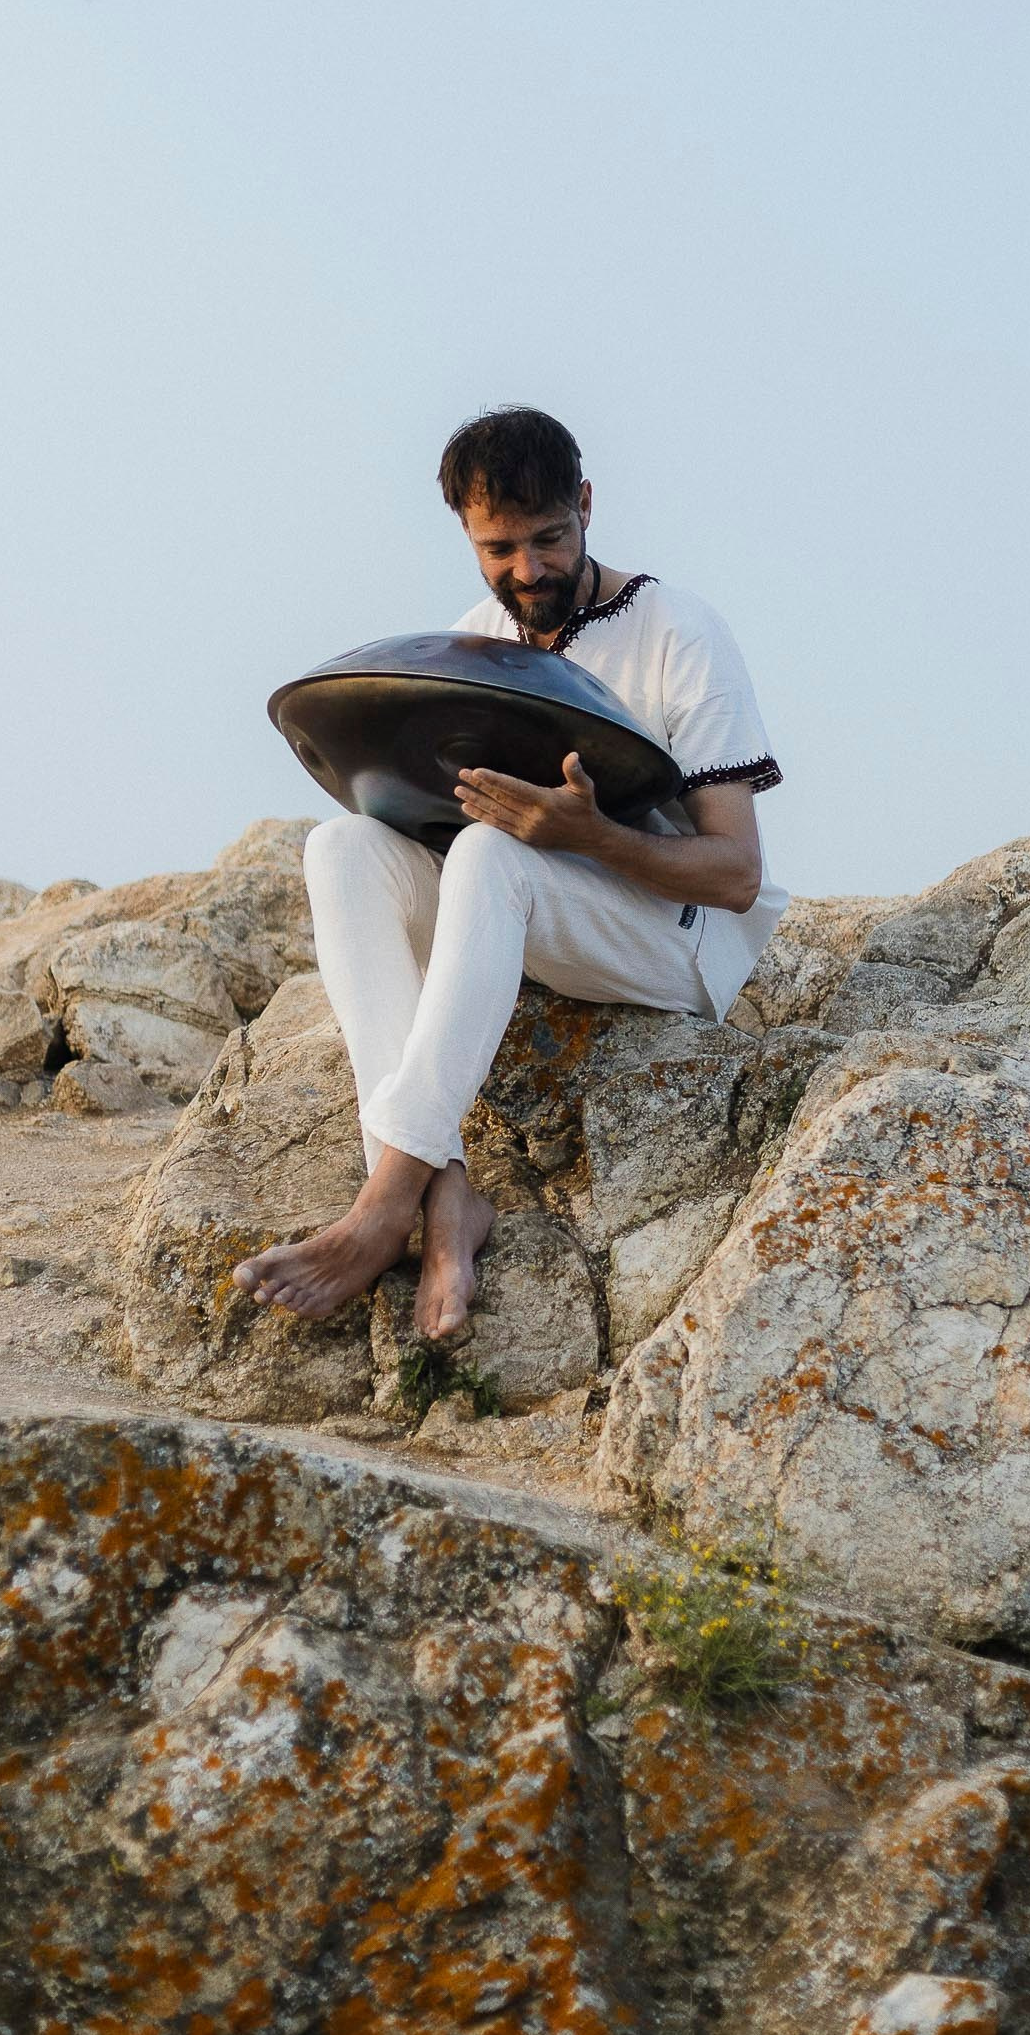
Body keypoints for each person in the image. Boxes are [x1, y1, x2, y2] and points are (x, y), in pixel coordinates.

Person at [233, 406, 787, 1339]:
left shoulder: (677, 629)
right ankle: (446, 1198)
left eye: (548, 538)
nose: (528, 570)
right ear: (464, 533)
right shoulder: (472, 642)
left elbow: (734, 873)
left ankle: (381, 1207)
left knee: (496, 849)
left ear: (585, 504)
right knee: (342, 847)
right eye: (499, 547)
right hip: (531, 914)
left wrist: (589, 834)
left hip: (676, 941)